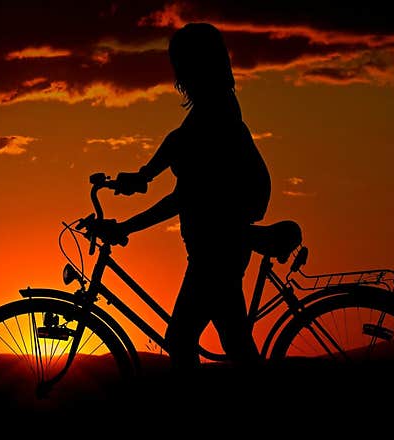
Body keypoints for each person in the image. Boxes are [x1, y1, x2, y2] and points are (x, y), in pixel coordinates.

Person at [103, 23, 271, 370]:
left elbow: (186, 196)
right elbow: (177, 142)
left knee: (181, 339)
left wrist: (128, 226)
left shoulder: (216, 114)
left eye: (179, 60)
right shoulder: (213, 107)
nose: (175, 69)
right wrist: (145, 175)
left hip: (217, 248)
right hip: (219, 246)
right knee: (235, 343)